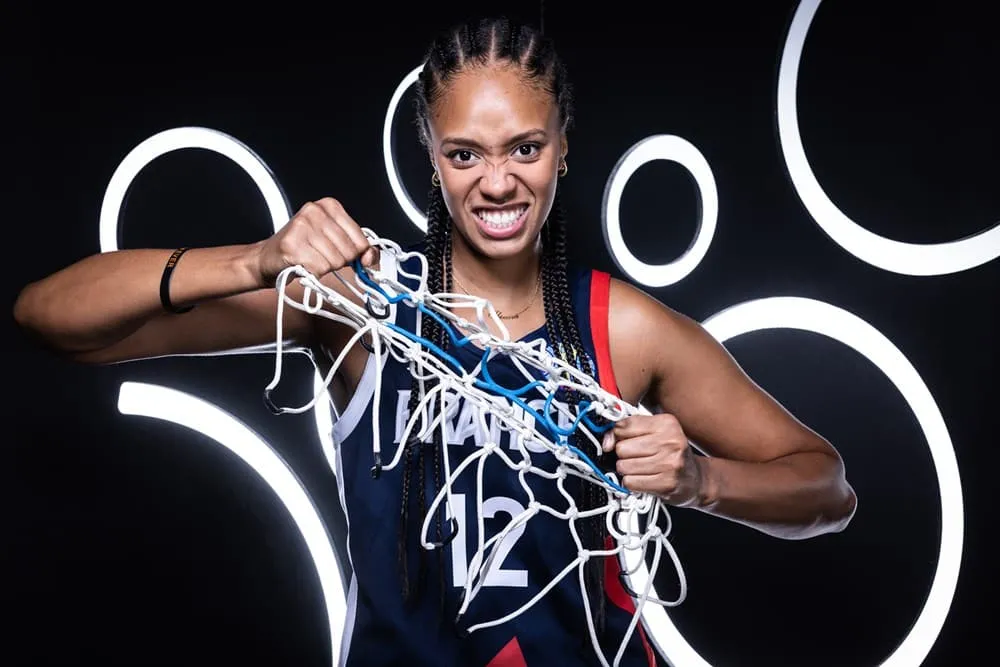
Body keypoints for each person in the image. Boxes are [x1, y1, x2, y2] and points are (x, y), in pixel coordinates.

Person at [13, 16, 857, 667]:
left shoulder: (622, 327)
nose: (498, 181)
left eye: (525, 147)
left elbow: (826, 487)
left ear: (563, 147)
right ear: (430, 153)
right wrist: (253, 259)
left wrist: (702, 480)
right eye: (465, 154)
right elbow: (53, 320)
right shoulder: (359, 306)